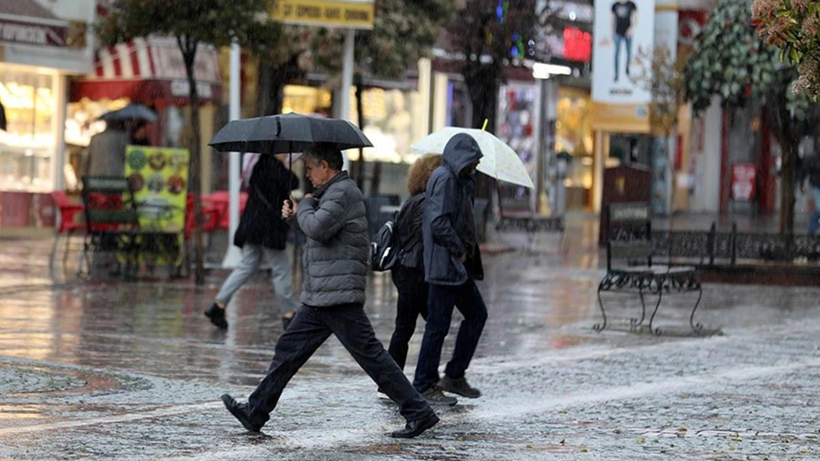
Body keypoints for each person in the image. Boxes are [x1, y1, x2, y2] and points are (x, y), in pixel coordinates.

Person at [220, 144, 439, 439]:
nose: (307, 174)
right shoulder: (329, 194)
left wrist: (304, 207)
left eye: (310, 168)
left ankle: (418, 411)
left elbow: (318, 227)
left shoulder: (343, 193)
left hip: (337, 293)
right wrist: (296, 214)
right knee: (289, 350)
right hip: (322, 293)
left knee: (372, 356)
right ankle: (256, 410)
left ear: (326, 166)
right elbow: (315, 232)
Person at [413, 133, 488, 406]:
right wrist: (458, 248)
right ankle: (424, 383)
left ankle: (454, 374)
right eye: (473, 161)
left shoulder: (457, 180)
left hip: (456, 266)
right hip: (446, 264)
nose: (476, 166)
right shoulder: (445, 179)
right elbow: (438, 222)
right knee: (438, 326)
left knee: (476, 314)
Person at [204, 153, 300, 331]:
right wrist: (286, 168)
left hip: (251, 225)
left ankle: (219, 304)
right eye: (283, 151)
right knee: (281, 269)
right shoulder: (277, 170)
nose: (287, 154)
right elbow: (294, 182)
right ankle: (288, 313)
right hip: (268, 229)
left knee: (246, 265)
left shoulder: (258, 167)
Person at [375, 155, 442, 399]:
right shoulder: (425, 203)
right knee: (432, 326)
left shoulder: (415, 200)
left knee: (404, 329)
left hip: (406, 271)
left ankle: (391, 383)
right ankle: (423, 381)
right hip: (416, 273)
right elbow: (425, 240)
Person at [611, 0, 638, 82]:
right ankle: (616, 74)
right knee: (616, 54)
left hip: (627, 32)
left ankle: (627, 69)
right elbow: (613, 19)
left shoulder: (631, 4)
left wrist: (631, 29)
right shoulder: (615, 5)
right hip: (618, 32)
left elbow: (635, 18)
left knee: (629, 53)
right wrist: (612, 31)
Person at [800, 149, 820, 235]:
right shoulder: (814, 157)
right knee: (819, 208)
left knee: (817, 209)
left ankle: (812, 230)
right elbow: (804, 170)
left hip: (815, 184)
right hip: (815, 185)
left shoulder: (813, 158)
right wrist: (801, 183)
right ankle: (812, 231)